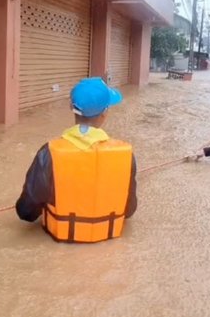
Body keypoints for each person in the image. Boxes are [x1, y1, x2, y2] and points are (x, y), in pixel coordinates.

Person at [15, 77, 137, 243]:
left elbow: (26, 212)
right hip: (107, 246)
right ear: (105, 113)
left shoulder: (49, 153)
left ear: (71, 107)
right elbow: (129, 210)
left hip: (59, 246)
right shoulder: (126, 154)